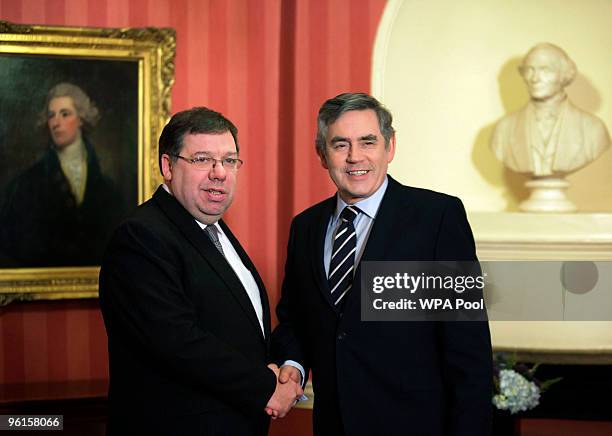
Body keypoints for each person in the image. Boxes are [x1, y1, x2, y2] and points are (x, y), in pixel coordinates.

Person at [271, 93, 493, 435]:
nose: (354, 156)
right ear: (322, 154)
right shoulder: (306, 227)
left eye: (368, 142)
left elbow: (468, 350)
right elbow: (295, 320)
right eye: (340, 144)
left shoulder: (437, 219)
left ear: (390, 147)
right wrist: (293, 364)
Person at [99, 107, 302, 436]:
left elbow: (238, 328)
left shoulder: (214, 228)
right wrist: (266, 385)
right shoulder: (141, 236)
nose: (219, 173)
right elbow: (176, 341)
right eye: (203, 159)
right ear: (168, 166)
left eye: (230, 160)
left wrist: (288, 370)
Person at [0, 82, 125, 267]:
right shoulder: (27, 183)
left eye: (65, 114)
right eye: (51, 116)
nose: (56, 122)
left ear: (81, 118)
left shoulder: (107, 185)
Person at [491, 43, 610, 176]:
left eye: (545, 70)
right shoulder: (504, 130)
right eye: (529, 70)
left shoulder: (593, 129)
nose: (535, 78)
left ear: (564, 75)